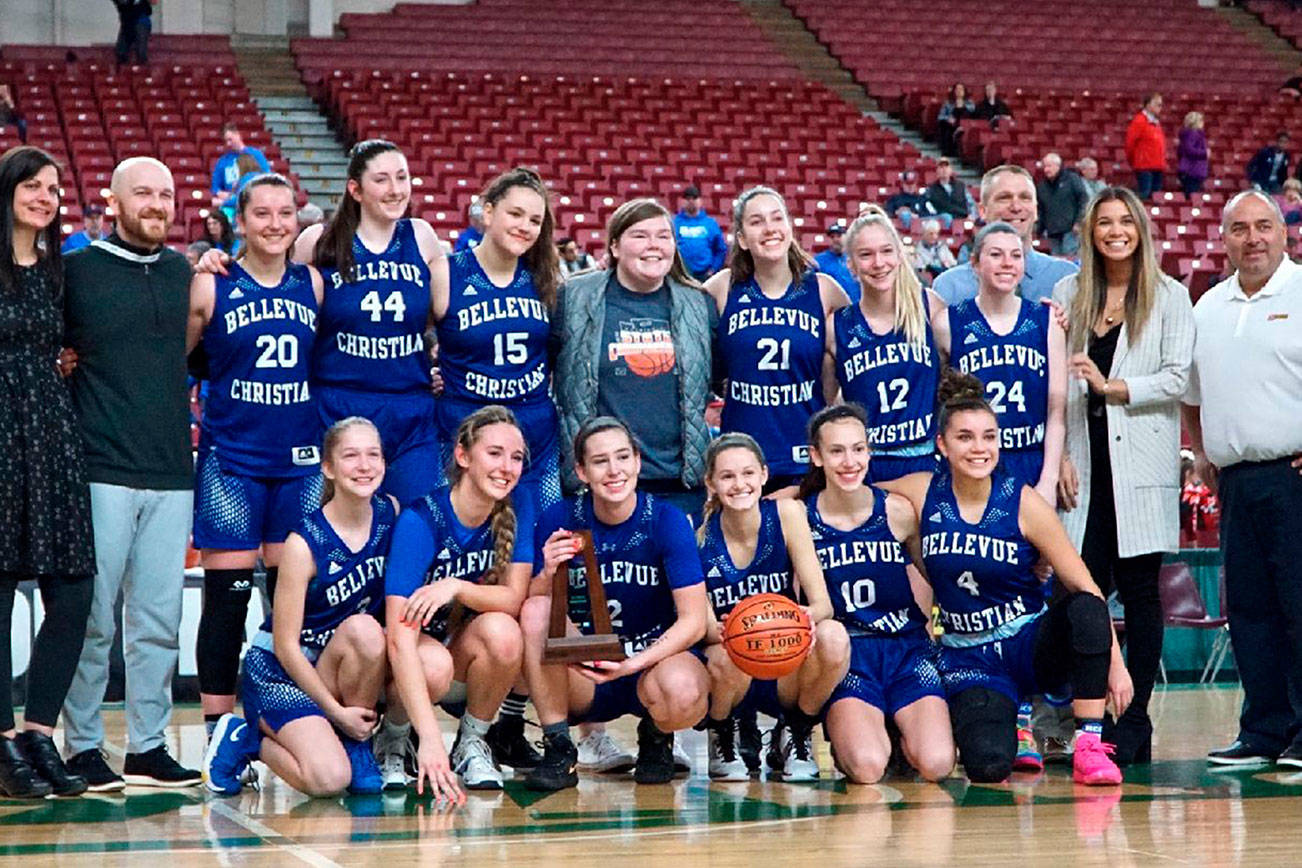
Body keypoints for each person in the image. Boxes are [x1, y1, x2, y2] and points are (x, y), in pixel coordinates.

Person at [883, 369, 1133, 786]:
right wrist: (789, 496)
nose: (979, 448)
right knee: (988, 766)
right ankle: (1014, 720)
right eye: (965, 437)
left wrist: (1116, 666)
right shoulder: (922, 491)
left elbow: (1086, 586)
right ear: (942, 445)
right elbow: (854, 491)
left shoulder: (1024, 503)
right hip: (969, 657)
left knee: (1086, 606)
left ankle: (1089, 743)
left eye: (988, 436)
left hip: (1027, 644)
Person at [197, 141, 447, 506]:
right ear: (355, 189)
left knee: (419, 523)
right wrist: (219, 261)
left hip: (410, 406)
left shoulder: (421, 237)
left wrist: (443, 366)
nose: (395, 189)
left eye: (402, 177)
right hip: (337, 405)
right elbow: (270, 282)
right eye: (382, 179)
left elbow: (447, 315)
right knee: (339, 537)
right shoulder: (318, 241)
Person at [61, 156, 200, 790]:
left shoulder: (184, 274)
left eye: (166, 194)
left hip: (172, 468)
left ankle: (147, 746)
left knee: (158, 622)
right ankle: (83, 745)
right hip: (99, 466)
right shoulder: (76, 272)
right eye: (142, 192)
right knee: (91, 618)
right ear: (112, 202)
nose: (156, 203)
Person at [1053, 187, 1194, 765]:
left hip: (1139, 466)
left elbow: (1177, 377)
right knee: (1082, 596)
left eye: (1124, 222)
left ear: (1140, 229)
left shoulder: (1169, 296)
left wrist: (1114, 388)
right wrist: (1057, 453)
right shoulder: (1069, 293)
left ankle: (1134, 722)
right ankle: (1086, 715)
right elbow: (1054, 386)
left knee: (1140, 598)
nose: (1115, 231)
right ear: (1090, 232)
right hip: (1085, 470)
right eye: (1104, 222)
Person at [185, 174, 326, 743]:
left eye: (284, 213)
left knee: (295, 604)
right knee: (226, 600)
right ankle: (220, 730)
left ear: (298, 220)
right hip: (232, 461)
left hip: (301, 464)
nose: (274, 224)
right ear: (239, 222)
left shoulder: (314, 285)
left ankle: (290, 716)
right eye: (261, 214)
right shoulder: (210, 286)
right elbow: (171, 358)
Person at [203, 416, 393, 797]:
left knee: (368, 632)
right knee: (328, 780)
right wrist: (337, 712)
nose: (364, 465)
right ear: (328, 468)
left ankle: (356, 744)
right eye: (351, 456)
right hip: (283, 670)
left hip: (338, 661)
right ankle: (245, 737)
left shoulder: (391, 515)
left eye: (373, 455)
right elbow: (286, 648)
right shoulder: (303, 544)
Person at [520, 416, 710, 790]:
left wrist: (631, 664)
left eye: (623, 457)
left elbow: (694, 621)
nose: (614, 470)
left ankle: (657, 736)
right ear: (581, 471)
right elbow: (531, 611)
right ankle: (560, 747)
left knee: (685, 692)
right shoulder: (559, 518)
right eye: (600, 461)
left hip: (649, 665)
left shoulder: (667, 521)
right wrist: (546, 572)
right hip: (585, 670)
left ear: (638, 461)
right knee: (534, 610)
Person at [1182, 190, 1302, 769]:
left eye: (1263, 227)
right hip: (1235, 481)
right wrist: (1201, 450)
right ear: (1223, 238)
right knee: (1250, 610)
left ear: (1284, 233)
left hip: (1293, 477)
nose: (1252, 238)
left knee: (1300, 605)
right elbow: (1190, 393)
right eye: (1239, 229)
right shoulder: (1207, 306)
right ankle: (1264, 730)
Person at [0, 146, 95, 799]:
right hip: (2, 435)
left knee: (74, 589)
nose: (45, 195)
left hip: (53, 436)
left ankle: (38, 730)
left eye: (54, 187)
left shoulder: (61, 270)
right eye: (32, 185)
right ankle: (3, 743)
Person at [377, 405, 535, 794]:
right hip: (403, 662)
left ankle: (473, 741)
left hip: (463, 658)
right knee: (432, 663)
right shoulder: (421, 520)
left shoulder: (519, 505)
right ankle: (394, 740)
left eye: (516, 457)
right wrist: (430, 738)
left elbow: (513, 598)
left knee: (504, 631)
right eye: (494, 453)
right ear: (463, 456)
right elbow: (399, 638)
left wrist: (456, 586)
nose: (507, 467)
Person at [800, 405, 953, 783]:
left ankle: (899, 729)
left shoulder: (898, 512)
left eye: (858, 449)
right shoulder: (801, 520)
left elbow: (939, 576)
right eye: (836, 451)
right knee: (867, 768)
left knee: (936, 764)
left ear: (870, 452)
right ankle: (851, 733)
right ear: (816, 456)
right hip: (849, 654)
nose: (849, 461)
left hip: (905, 649)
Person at [697, 433, 849, 781]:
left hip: (784, 657)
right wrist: (728, 630)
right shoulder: (696, 532)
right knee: (723, 652)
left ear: (764, 475)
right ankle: (721, 732)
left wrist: (804, 618)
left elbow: (822, 603)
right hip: (731, 669)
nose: (740, 485)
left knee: (833, 637)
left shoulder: (787, 513)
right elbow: (703, 626)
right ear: (711, 482)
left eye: (748, 474)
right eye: (728, 476)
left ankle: (797, 730)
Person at [552, 198, 715, 518]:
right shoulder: (572, 298)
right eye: (640, 235)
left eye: (663, 236)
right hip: (598, 484)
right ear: (614, 246)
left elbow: (716, 377)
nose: (653, 245)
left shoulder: (699, 304)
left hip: (677, 485)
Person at [704, 186, 849, 494]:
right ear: (741, 238)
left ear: (789, 227)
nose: (769, 228)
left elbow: (853, 355)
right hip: (741, 461)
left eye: (777, 218)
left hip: (805, 455)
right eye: (756, 221)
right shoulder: (721, 288)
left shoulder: (824, 290)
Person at [435, 168, 561, 514]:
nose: (525, 226)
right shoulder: (447, 272)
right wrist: (426, 372)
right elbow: (408, 336)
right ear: (488, 212)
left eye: (534, 220)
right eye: (515, 214)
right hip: (464, 427)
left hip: (533, 431)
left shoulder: (547, 278)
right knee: (461, 536)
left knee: (541, 538)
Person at [933, 221, 1067, 503]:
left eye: (1016, 256)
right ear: (975, 263)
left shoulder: (1047, 321)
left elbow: (1057, 411)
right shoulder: (948, 323)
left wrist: (1049, 478)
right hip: (972, 462)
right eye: (995, 255)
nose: (1007, 263)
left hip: (1030, 459)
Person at [829, 208, 944, 483]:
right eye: (866, 255)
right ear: (851, 265)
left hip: (925, 463)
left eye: (886, 251)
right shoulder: (837, 327)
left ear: (900, 256)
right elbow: (825, 409)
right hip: (864, 469)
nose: (878, 263)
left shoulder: (929, 307)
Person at [932, 165, 1079, 306]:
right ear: (982, 210)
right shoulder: (950, 286)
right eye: (1004, 198)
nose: (1016, 207)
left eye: (1025, 198)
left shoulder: (1066, 277)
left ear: (1035, 210)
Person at [1036, 153, 1090, 257]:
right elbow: (1041, 210)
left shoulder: (1072, 179)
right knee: (1055, 261)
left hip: (1071, 230)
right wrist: (1039, 231)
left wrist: (1079, 222)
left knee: (1070, 258)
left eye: (1049, 166)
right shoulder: (1042, 187)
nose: (1046, 169)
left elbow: (1083, 200)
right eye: (1045, 166)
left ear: (1058, 166)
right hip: (1052, 231)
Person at [673, 185, 727, 281]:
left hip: (705, 275)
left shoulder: (710, 223)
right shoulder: (675, 223)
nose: (691, 201)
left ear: (700, 201)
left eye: (694, 198)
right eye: (687, 198)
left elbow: (721, 249)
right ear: (682, 201)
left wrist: (713, 270)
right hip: (681, 274)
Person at [210, 124, 269, 210]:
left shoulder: (256, 155)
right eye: (225, 141)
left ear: (237, 135)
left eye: (230, 139)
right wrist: (220, 193)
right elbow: (215, 187)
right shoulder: (222, 161)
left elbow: (266, 177)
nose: (228, 144)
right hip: (231, 203)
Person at [1124, 93, 1166, 201]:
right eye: (1157, 104)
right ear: (1147, 105)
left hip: (1157, 165)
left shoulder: (1156, 122)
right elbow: (1130, 143)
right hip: (1144, 165)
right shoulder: (1139, 121)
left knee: (1155, 197)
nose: (1160, 107)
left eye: (1161, 105)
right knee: (1145, 195)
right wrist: (1135, 161)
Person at [813, 224, 859, 301]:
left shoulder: (855, 258)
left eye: (839, 236)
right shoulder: (818, 261)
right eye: (832, 237)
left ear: (847, 237)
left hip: (856, 305)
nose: (835, 239)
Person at [912, 218, 957, 284]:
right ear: (924, 234)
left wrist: (946, 263)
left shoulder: (942, 247)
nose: (934, 237)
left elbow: (952, 263)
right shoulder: (917, 249)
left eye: (936, 233)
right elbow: (918, 266)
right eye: (931, 234)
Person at [936, 83, 975, 156]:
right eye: (957, 89)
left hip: (965, 125)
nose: (959, 91)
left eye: (961, 89)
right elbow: (940, 117)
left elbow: (974, 116)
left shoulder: (970, 104)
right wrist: (948, 119)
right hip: (952, 125)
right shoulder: (948, 104)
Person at [1176, 112, 1210, 196]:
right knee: (1191, 194)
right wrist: (1205, 153)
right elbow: (1189, 150)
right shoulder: (1192, 134)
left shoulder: (1193, 135)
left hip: (1193, 170)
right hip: (1192, 171)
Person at [112, 0, 155, 66]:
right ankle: (124, 71)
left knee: (141, 51)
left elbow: (153, 1)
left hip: (140, 20)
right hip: (127, 22)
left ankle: (143, 71)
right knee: (121, 51)